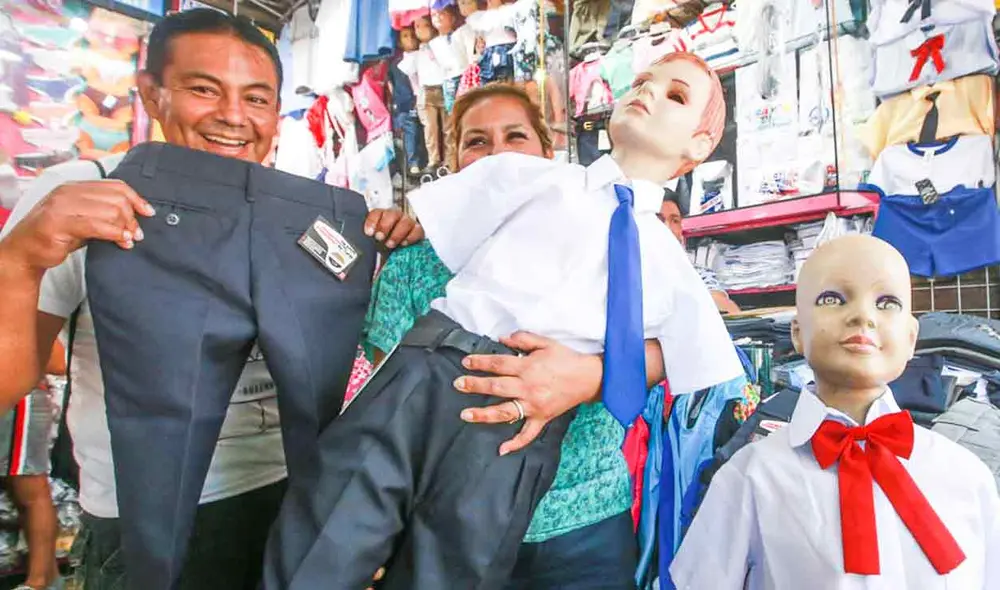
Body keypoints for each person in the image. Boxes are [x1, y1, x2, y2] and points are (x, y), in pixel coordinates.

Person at [264, 52, 742, 589]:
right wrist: (408, 229)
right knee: (330, 517)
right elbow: (435, 229)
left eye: (675, 95)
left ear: (699, 147)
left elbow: (699, 358)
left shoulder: (668, 262)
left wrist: (595, 374)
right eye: (643, 80)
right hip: (428, 362)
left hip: (514, 424)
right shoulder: (524, 180)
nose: (649, 91)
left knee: (451, 566)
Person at [0, 9, 422, 590]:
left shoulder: (312, 210)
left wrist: (393, 249)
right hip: (143, 512)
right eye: (204, 89)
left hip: (290, 497)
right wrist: (18, 260)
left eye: (256, 99)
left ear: (277, 112)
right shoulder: (90, 191)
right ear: (152, 94)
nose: (232, 116)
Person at [364, 83, 653, 587]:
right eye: (476, 141)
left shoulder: (611, 238)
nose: (497, 153)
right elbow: (388, 412)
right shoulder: (411, 268)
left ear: (548, 151)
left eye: (514, 136)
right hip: (452, 529)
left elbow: (671, 350)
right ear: (453, 160)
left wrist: (590, 375)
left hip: (584, 526)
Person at [670, 235, 1000, 589]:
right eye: (832, 299)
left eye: (886, 302)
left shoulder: (966, 476)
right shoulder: (748, 478)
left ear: (910, 336)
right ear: (797, 332)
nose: (862, 315)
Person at [659, 190, 740, 314]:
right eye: (658, 220)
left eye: (675, 221)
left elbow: (727, 308)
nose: (668, 229)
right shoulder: (627, 275)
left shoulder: (696, 273)